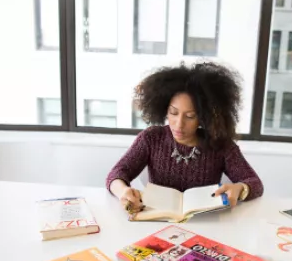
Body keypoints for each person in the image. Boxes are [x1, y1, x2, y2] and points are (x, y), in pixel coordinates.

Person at [106, 61, 264, 217]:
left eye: (190, 116)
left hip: (207, 224)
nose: (179, 124)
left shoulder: (220, 144)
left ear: (203, 117)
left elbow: (255, 184)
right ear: (163, 109)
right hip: (157, 221)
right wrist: (123, 192)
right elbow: (117, 173)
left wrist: (240, 188)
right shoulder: (151, 138)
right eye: (173, 113)